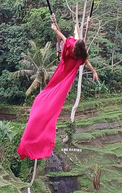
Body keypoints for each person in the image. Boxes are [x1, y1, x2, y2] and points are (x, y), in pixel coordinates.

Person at [17, 23, 98, 160]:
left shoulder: (71, 45)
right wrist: (94, 71)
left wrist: (55, 30)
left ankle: (32, 137)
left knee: (43, 98)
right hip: (65, 78)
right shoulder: (81, 54)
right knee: (45, 98)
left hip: (61, 74)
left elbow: (65, 39)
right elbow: (86, 60)